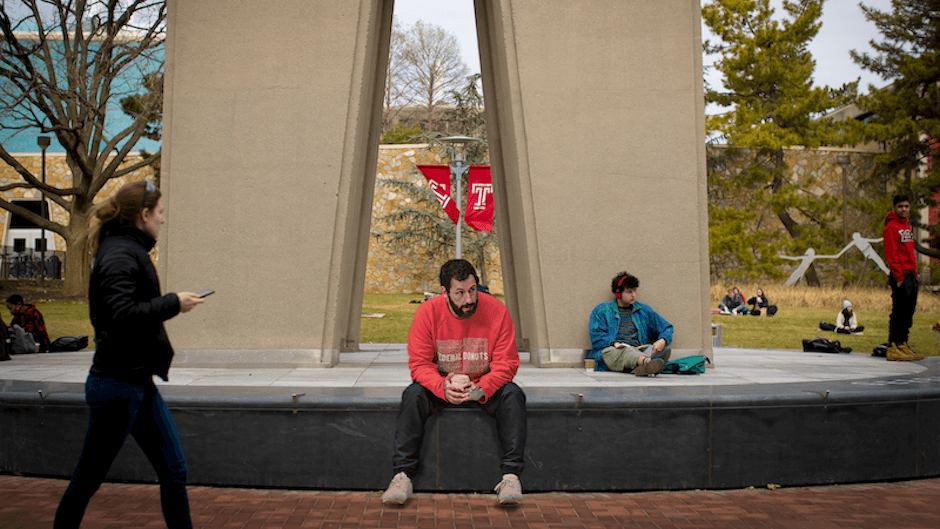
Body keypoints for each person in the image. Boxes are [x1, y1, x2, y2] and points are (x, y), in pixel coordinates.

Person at [54, 181, 206, 528]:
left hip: (135, 381)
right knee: (87, 479)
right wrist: (173, 303)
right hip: (116, 387)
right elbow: (120, 316)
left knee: (174, 470)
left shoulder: (127, 250)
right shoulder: (120, 254)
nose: (163, 220)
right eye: (160, 213)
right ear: (144, 215)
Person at [382, 259, 526, 506]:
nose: (468, 299)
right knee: (413, 394)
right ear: (444, 292)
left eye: (472, 290)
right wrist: (442, 387)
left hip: (482, 387)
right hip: (442, 388)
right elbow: (419, 364)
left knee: (512, 394)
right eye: (459, 293)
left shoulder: (497, 311)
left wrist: (482, 388)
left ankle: (511, 476)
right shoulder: (427, 313)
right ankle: (402, 476)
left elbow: (507, 363)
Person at [588, 271, 674, 376]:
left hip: (639, 349)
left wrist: (663, 340)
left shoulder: (644, 311)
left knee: (663, 348)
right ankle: (646, 362)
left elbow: (667, 328)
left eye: (635, 291)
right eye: (629, 292)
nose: (633, 295)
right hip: (614, 351)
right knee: (624, 352)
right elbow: (596, 337)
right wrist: (614, 343)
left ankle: (642, 365)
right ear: (618, 293)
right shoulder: (601, 310)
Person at [882, 194, 924, 362]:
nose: (904, 209)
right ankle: (893, 345)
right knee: (899, 311)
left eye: (906, 206)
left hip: (911, 273)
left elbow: (909, 252)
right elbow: (891, 254)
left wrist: (914, 273)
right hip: (900, 275)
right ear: (894, 208)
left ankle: (903, 343)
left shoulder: (907, 227)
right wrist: (898, 275)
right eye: (900, 206)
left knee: (909, 310)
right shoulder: (891, 228)